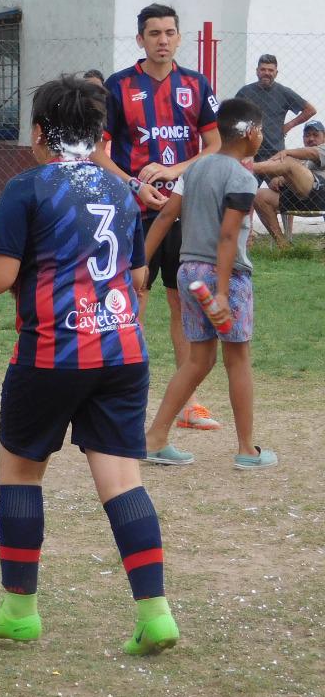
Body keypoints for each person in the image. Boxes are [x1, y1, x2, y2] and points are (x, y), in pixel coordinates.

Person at [0, 74, 179, 657]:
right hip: (122, 351)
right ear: (99, 134)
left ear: (40, 133)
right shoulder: (119, 190)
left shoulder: (26, 188)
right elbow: (136, 277)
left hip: (52, 353)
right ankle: (155, 613)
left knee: (20, 471)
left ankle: (19, 610)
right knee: (121, 480)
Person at [93, 3, 222, 433]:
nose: (163, 40)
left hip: (187, 210)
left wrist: (174, 172)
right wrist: (134, 184)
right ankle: (121, 403)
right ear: (140, 40)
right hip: (138, 212)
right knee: (135, 297)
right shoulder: (119, 86)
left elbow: (215, 146)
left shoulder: (196, 85)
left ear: (179, 37)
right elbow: (97, 152)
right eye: (154, 33)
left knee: (181, 301)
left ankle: (188, 403)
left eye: (169, 32)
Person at [142, 98, 277, 471]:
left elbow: (167, 214)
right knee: (238, 360)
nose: (261, 137)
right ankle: (248, 450)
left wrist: (140, 264)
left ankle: (154, 438)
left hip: (188, 273)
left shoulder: (197, 168)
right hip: (226, 279)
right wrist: (220, 292)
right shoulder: (242, 177)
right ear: (249, 133)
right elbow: (229, 236)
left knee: (198, 360)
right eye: (261, 131)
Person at [249, 118, 325, 243]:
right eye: (307, 135)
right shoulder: (299, 157)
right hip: (298, 199)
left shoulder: (319, 150)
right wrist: (279, 179)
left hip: (320, 195)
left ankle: (245, 166)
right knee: (259, 195)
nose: (311, 139)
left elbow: (311, 153)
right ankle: (283, 246)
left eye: (315, 135)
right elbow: (292, 172)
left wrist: (287, 153)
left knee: (288, 162)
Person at [235, 53, 316, 163]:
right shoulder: (245, 92)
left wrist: (288, 125)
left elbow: (310, 110)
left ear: (276, 73)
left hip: (275, 153)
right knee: (247, 180)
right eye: (263, 69)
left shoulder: (284, 92)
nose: (266, 73)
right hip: (250, 152)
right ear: (257, 71)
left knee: (277, 181)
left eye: (270, 70)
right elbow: (233, 117)